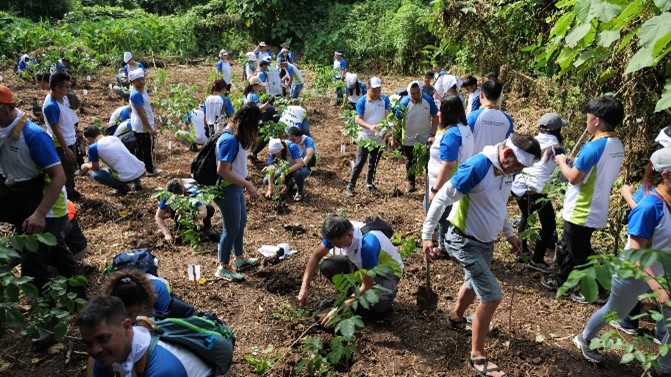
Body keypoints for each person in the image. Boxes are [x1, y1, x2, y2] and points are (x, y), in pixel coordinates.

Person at [422, 133, 541, 377]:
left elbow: (499, 205)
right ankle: (477, 355)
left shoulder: (507, 170)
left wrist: (509, 233)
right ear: (507, 154)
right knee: (492, 296)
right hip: (463, 240)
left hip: (486, 242)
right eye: (518, 165)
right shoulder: (477, 167)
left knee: (473, 283)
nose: (518, 171)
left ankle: (455, 317)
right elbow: (442, 197)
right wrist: (427, 235)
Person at [572, 147, 671, 376]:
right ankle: (584, 338)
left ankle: (662, 369)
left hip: (661, 271)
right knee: (614, 312)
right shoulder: (649, 208)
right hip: (634, 273)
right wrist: (659, 290)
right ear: (665, 176)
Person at [0, 85, 84, 344]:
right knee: (59, 254)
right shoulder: (4, 132)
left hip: (47, 207)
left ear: (4, 108)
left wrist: (39, 214)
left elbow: (58, 177)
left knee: (34, 267)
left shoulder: (33, 135)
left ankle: (50, 322)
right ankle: (82, 301)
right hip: (23, 203)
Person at [541, 96, 625, 305]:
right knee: (569, 246)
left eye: (588, 117)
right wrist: (576, 162)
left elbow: (573, 177)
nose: (586, 121)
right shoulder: (615, 144)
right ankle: (562, 280)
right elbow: (596, 168)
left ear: (596, 120)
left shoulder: (592, 147)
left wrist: (561, 161)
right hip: (597, 205)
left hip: (582, 209)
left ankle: (599, 291)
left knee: (580, 253)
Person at [297, 214, 404, 319]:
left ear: (350, 235)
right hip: (362, 265)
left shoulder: (368, 246)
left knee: (379, 305)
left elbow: (367, 285)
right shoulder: (338, 231)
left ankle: (362, 303)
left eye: (338, 244)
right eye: (333, 244)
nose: (335, 246)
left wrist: (339, 309)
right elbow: (316, 256)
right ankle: (354, 297)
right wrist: (304, 287)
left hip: (387, 272)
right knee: (327, 266)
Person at [77, 296, 212, 377]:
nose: (95, 350)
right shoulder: (107, 355)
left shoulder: (163, 369)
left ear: (126, 327)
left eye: (103, 339)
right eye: (88, 343)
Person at [511, 113, 566, 272]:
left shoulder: (531, 141)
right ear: (558, 129)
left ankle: (522, 251)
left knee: (526, 217)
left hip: (519, 187)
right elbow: (562, 175)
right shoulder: (558, 148)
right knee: (549, 225)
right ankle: (537, 259)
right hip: (536, 190)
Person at [214, 103, 262, 282]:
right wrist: (247, 184)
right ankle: (223, 266)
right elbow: (222, 170)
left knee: (241, 222)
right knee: (231, 227)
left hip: (236, 186)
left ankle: (240, 258)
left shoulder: (236, 135)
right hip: (226, 188)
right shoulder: (229, 139)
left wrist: (245, 182)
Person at [425, 95, 474, 258]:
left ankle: (444, 246)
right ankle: (442, 243)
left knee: (441, 214)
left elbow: (448, 165)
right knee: (443, 214)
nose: (438, 114)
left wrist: (435, 189)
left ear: (448, 112)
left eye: (440, 110)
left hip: (445, 182)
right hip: (455, 179)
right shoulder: (463, 128)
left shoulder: (452, 134)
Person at [345, 77, 391, 197]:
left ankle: (369, 183)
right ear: (369, 88)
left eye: (378, 90)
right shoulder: (362, 101)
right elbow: (357, 119)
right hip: (366, 136)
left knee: (374, 161)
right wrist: (369, 126)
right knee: (360, 161)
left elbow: (388, 116)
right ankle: (350, 186)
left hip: (379, 136)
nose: (376, 92)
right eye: (374, 90)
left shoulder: (384, 99)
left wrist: (386, 128)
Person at [42, 72, 82, 201]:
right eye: (66, 86)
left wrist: (77, 130)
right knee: (65, 171)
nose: (68, 89)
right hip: (61, 143)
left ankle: (70, 190)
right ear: (57, 87)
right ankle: (68, 194)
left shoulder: (63, 98)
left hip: (70, 139)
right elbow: (56, 129)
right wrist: (65, 149)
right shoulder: (51, 106)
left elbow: (67, 117)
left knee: (71, 168)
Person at [395, 81, 439, 193]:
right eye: (413, 93)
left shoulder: (428, 100)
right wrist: (394, 138)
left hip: (425, 137)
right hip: (409, 138)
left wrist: (432, 133)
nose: (415, 96)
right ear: (409, 93)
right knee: (410, 161)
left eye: (417, 93)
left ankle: (430, 184)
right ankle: (411, 183)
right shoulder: (404, 103)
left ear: (421, 91)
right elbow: (396, 121)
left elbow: (436, 116)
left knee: (428, 161)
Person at [81, 126, 144, 195]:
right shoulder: (114, 137)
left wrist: (86, 165)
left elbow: (95, 167)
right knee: (124, 159)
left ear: (89, 138)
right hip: (139, 169)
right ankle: (137, 183)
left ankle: (123, 187)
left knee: (95, 174)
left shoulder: (93, 148)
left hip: (124, 176)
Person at [155, 178, 216, 243]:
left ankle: (207, 226)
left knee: (209, 208)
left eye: (179, 197)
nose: (176, 199)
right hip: (180, 212)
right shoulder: (167, 196)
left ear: (183, 190)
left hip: (193, 209)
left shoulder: (193, 192)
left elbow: (204, 213)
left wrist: (186, 214)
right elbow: (158, 217)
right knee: (172, 210)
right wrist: (166, 234)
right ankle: (180, 225)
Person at [128, 68, 160, 176]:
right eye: (138, 80)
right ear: (133, 82)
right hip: (142, 125)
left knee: (141, 148)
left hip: (141, 123)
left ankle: (139, 169)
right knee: (146, 148)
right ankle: (149, 170)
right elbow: (141, 114)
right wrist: (150, 128)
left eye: (142, 79)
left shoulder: (142, 90)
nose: (141, 82)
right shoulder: (136, 95)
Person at [468, 79, 513, 155]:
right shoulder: (508, 120)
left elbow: (463, 140)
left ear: (481, 94)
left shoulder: (473, 116)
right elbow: (508, 143)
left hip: (473, 162)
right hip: (495, 164)